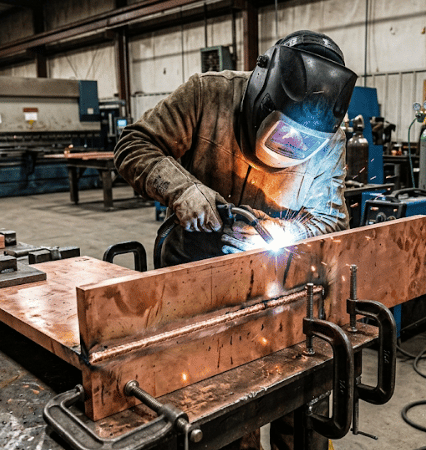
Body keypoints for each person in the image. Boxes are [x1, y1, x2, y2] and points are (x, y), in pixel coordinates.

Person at [114, 30, 358, 450]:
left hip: (281, 286)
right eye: (285, 132)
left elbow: (334, 218)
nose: (292, 147)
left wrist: (286, 231)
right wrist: (182, 189)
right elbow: (133, 145)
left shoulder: (331, 138)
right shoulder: (207, 95)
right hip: (197, 276)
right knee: (219, 414)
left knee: (300, 407)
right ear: (262, 98)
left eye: (306, 142)